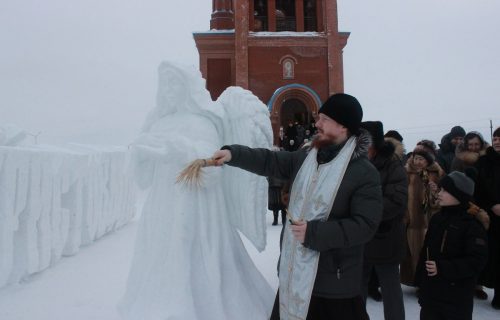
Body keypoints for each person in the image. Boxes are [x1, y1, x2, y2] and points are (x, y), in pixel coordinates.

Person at [119, 61, 274, 320]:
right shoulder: (158, 122)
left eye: (174, 82)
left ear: (187, 86)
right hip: (162, 206)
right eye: (165, 83)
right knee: (163, 256)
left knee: (192, 254)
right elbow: (143, 179)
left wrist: (180, 150)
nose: (169, 89)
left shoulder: (203, 122)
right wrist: (139, 156)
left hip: (196, 206)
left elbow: (213, 168)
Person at [212, 93, 383, 320]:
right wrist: (234, 154)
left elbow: (365, 225)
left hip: (333, 285)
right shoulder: (307, 156)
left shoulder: (363, 172)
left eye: (324, 119)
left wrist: (314, 233)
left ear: (343, 126)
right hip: (294, 274)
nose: (317, 123)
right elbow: (270, 161)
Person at [415, 171, 488, 320]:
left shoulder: (472, 226)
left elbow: (476, 262)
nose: (439, 193)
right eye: (440, 189)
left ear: (459, 195)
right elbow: (425, 253)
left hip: (456, 300)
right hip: (431, 297)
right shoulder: (437, 219)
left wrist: (443, 268)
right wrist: (421, 285)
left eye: (445, 190)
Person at [360, 121, 407, 320]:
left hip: (385, 237)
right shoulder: (355, 162)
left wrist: (363, 212)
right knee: (356, 289)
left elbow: (396, 201)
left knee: (390, 289)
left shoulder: (392, 165)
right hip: (358, 238)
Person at [400, 143, 444, 287]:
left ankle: (426, 281)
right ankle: (414, 280)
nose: (418, 162)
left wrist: (434, 190)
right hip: (412, 221)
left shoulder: (435, 174)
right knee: (412, 253)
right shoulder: (406, 173)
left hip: (430, 221)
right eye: (416, 158)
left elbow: (439, 201)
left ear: (428, 161)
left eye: (421, 159)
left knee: (428, 253)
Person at [474, 126, 500, 309]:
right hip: (491, 217)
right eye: (495, 138)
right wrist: (492, 204)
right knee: (495, 256)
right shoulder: (483, 162)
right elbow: (478, 187)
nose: (497, 142)